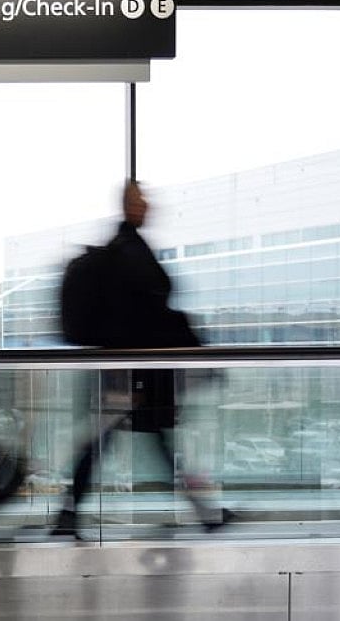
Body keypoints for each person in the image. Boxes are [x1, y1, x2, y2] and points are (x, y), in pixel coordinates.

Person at [52, 180, 229, 538]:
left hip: (125, 371)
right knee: (134, 441)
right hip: (133, 373)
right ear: (128, 206)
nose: (148, 206)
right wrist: (193, 348)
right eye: (141, 200)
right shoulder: (128, 252)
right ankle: (204, 514)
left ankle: (68, 514)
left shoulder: (124, 250)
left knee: (120, 441)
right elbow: (149, 313)